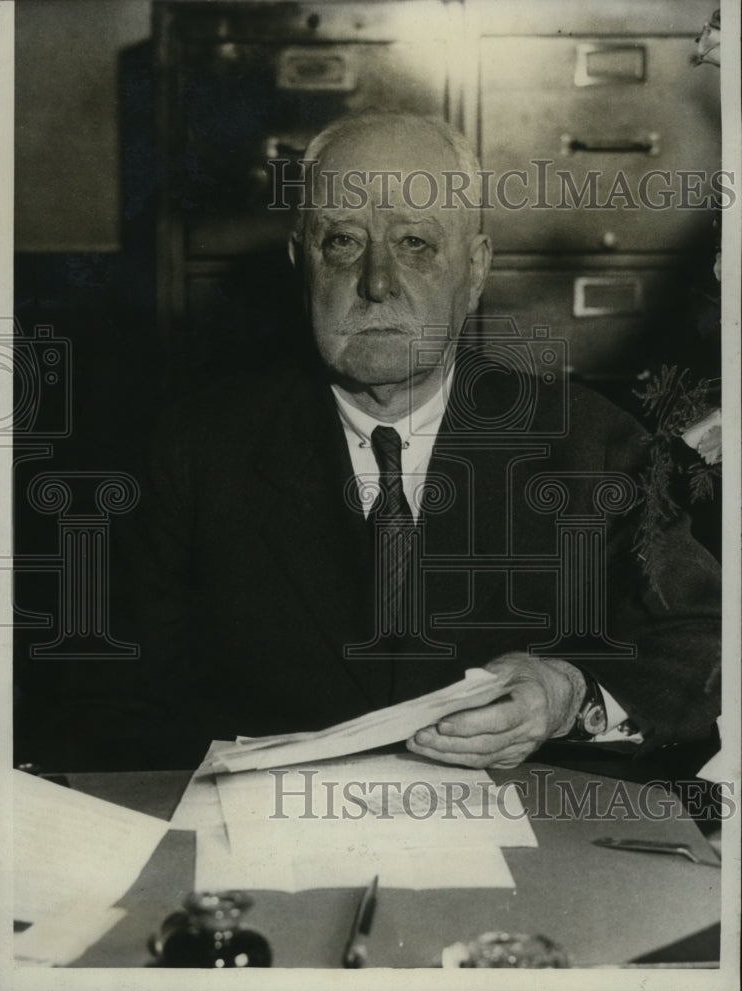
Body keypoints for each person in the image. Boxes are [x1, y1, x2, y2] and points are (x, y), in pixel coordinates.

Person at [101, 112, 720, 771]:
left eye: (415, 243)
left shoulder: (593, 446)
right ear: (300, 263)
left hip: (521, 828)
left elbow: (708, 644)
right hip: (265, 827)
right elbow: (111, 699)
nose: (377, 282)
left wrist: (568, 695)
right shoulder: (196, 451)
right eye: (342, 242)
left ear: (475, 271)